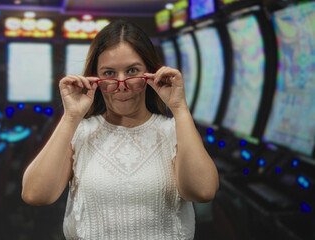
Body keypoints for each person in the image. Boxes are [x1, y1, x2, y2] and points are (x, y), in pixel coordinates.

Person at [22, 19, 219, 239]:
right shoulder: (80, 131)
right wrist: (71, 117)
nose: (122, 84)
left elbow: (202, 191)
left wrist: (179, 108)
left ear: (151, 74)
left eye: (133, 70)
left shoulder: (174, 130)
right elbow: (35, 194)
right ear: (94, 78)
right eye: (109, 73)